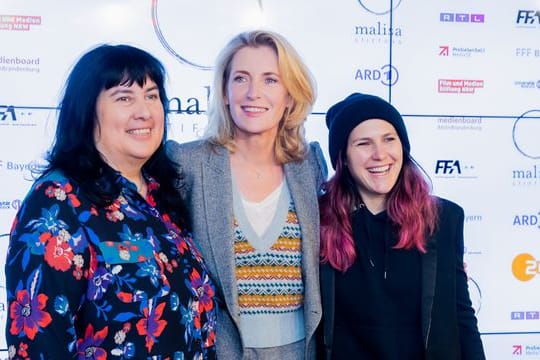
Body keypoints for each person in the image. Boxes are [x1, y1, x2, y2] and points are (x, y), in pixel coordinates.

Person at [5, 44, 217, 359]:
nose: (144, 111)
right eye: (124, 98)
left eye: (151, 95)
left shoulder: (163, 197)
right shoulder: (58, 202)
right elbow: (39, 343)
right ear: (87, 110)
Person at [167, 30, 327, 359]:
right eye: (241, 78)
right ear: (224, 91)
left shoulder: (309, 166)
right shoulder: (187, 164)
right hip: (220, 350)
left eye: (270, 80)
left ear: (289, 95)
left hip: (302, 352)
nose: (254, 93)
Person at [318, 93, 485, 359]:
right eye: (363, 143)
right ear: (344, 158)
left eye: (389, 139)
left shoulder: (443, 218)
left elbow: (461, 314)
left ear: (402, 147)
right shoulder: (318, 220)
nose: (379, 154)